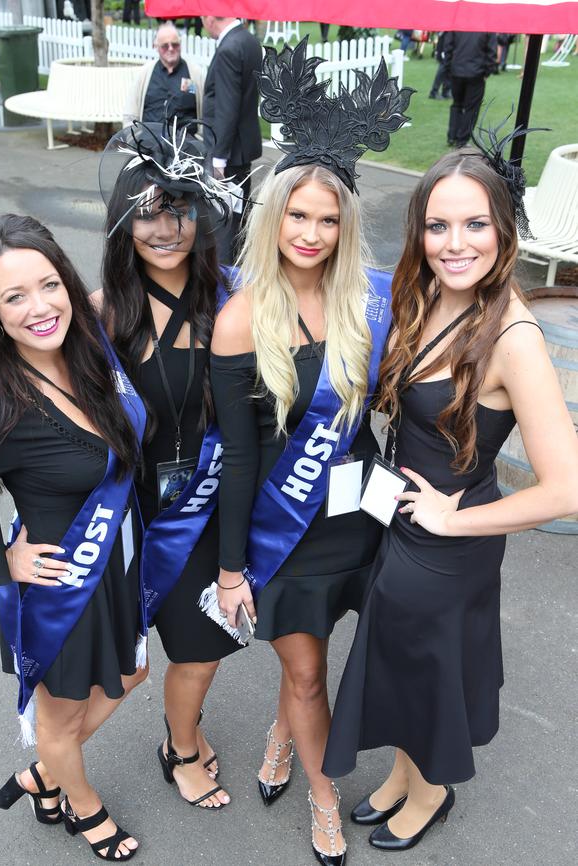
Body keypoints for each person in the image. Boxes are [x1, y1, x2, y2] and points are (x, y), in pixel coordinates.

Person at [323, 133, 578, 852]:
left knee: (425, 667)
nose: (454, 243)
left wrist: (448, 517)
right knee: (404, 658)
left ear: (505, 230)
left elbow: (567, 490)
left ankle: (430, 791)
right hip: (401, 522)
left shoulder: (516, 336)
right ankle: (405, 777)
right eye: (438, 225)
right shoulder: (428, 294)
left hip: (450, 538)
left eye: (474, 225)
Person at [208, 41, 412, 866]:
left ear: (346, 223)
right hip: (284, 529)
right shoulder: (239, 316)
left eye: (329, 219)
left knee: (360, 656)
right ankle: (324, 798)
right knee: (304, 674)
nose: (313, 233)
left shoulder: (369, 298)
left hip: (357, 513)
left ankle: (285, 735)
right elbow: (241, 457)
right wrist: (230, 569)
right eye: (298, 215)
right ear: (274, 214)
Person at [0, 214, 148, 861]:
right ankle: (86, 810)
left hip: (110, 570)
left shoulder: (87, 357)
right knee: (60, 718)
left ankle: (43, 779)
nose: (39, 306)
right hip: (61, 591)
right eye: (14, 297)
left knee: (131, 674)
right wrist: (0, 557)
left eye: (48, 285)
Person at [93, 120, 241, 810]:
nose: (165, 227)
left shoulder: (229, 301)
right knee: (116, 666)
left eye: (178, 209)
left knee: (202, 647)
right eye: (148, 211)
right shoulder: (98, 317)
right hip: (126, 514)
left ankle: (180, 744)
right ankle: (50, 767)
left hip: (204, 507)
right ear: (124, 221)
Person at [200, 15, 263, 263]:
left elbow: (227, 106)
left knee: (223, 224)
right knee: (238, 221)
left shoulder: (228, 48)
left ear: (209, 17)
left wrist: (218, 158)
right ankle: (236, 273)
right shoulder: (248, 40)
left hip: (228, 152)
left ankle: (223, 281)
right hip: (242, 148)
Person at [123, 21, 205, 129]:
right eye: (165, 46)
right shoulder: (144, 74)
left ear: (180, 45)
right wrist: (134, 138)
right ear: (156, 47)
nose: (170, 49)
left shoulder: (195, 74)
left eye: (175, 44)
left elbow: (207, 113)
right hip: (149, 143)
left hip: (186, 143)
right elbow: (130, 113)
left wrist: (200, 140)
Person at [444, 31, 498, 147]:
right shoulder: (486, 26)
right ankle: (461, 139)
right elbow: (492, 51)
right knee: (471, 107)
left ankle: (453, 136)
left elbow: (448, 46)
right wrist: (487, 71)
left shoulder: (459, 24)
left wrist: (449, 67)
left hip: (461, 70)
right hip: (473, 72)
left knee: (458, 104)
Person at [429, 32, 451, 99]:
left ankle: (446, 91)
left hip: (449, 45)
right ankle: (434, 92)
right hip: (444, 47)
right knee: (442, 70)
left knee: (449, 69)